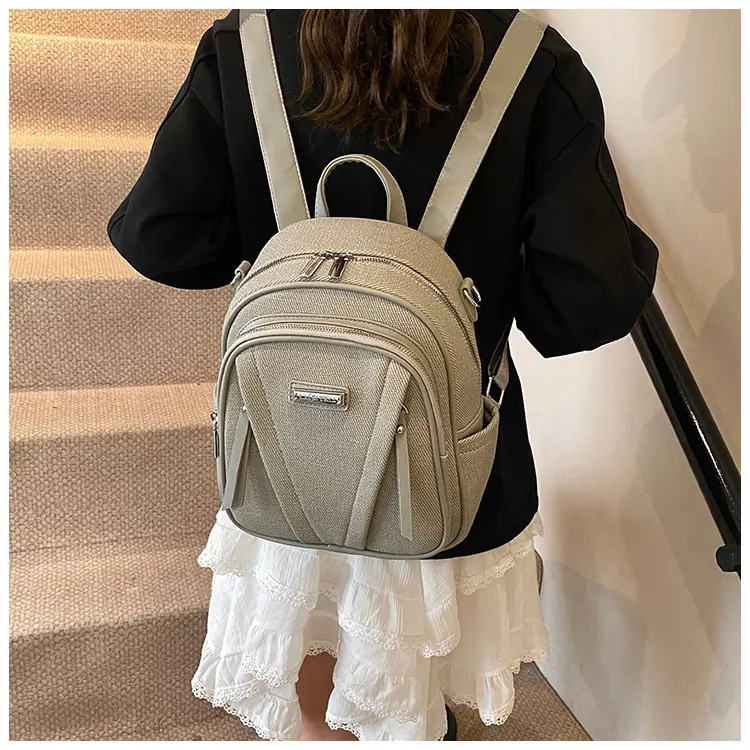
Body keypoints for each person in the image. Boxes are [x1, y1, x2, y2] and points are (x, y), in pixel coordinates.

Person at [108, 9, 658, 742]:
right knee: (407, 661)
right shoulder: (530, 60)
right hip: (446, 455)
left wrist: (280, 255)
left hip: (288, 445)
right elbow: (587, 300)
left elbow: (158, 234)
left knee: (307, 625)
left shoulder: (245, 46)